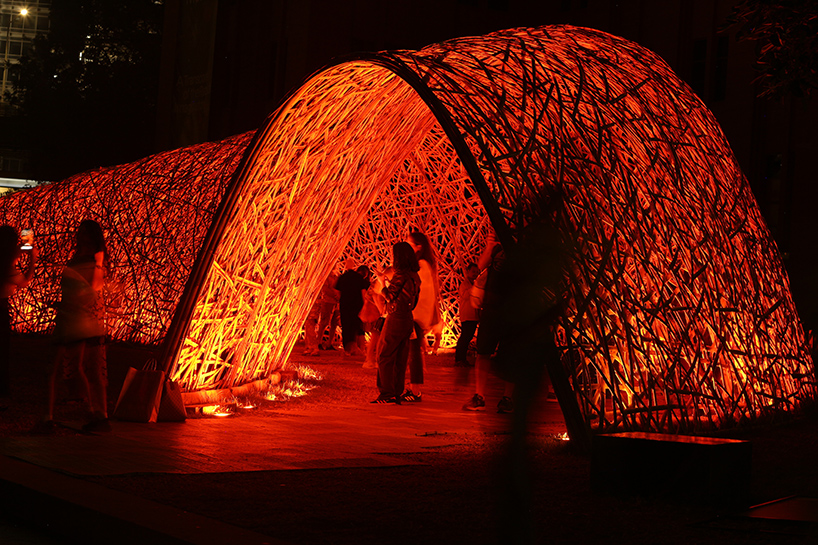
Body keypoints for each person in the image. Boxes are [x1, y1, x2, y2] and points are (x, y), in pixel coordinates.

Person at [45, 220, 111, 432]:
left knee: (90, 367)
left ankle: (99, 414)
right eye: (80, 231)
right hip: (71, 316)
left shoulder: (96, 260)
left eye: (85, 233)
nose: (81, 236)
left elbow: (96, 286)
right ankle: (94, 412)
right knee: (76, 366)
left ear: (93, 237)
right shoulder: (75, 258)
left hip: (88, 318)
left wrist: (99, 262)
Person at [371, 242, 420, 404]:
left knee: (384, 354)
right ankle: (396, 391)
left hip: (396, 317)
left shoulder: (401, 275)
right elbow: (414, 300)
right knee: (400, 356)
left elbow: (390, 296)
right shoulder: (415, 276)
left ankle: (387, 393)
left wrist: (382, 282)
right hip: (407, 318)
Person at [0, 225, 37, 400]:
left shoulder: (4, 259)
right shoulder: (7, 267)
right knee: (2, 349)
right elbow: (24, 282)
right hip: (0, 308)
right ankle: (3, 388)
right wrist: (32, 259)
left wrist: (23, 249)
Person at [403, 231, 441, 402]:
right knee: (412, 351)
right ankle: (412, 387)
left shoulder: (421, 265)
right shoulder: (420, 264)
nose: (406, 246)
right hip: (415, 314)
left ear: (419, 247)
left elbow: (423, 293)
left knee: (414, 353)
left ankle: (415, 390)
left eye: (409, 243)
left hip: (415, 315)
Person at [335, 259, 370, 356]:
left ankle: (347, 349)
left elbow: (337, 291)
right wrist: (365, 305)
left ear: (346, 266)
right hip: (356, 305)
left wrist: (341, 298)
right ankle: (355, 348)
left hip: (345, 305)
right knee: (355, 326)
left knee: (346, 326)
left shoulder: (342, 277)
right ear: (354, 266)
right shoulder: (359, 278)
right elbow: (363, 292)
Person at [454, 262, 480, 366]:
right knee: (465, 337)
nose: (475, 274)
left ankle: (462, 359)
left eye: (477, 272)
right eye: (473, 271)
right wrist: (474, 288)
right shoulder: (464, 284)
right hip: (467, 315)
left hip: (473, 316)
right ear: (468, 271)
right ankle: (459, 359)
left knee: (467, 337)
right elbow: (464, 296)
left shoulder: (474, 284)